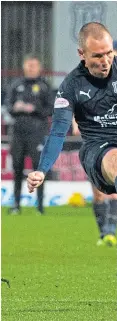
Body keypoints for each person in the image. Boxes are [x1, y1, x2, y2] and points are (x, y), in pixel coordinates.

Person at [27, 22, 117, 245]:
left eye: (109, 53)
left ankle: (109, 231)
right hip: (97, 148)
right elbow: (58, 132)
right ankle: (105, 230)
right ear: (82, 54)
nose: (105, 61)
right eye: (97, 55)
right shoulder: (70, 87)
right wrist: (42, 169)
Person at [5, 53, 53, 214]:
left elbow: (51, 109)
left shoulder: (45, 86)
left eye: (35, 66)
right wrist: (15, 108)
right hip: (18, 132)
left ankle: (40, 206)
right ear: (24, 66)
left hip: (37, 133)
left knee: (37, 170)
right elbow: (8, 106)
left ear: (39, 68)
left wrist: (34, 109)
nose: (32, 69)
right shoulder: (15, 85)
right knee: (17, 167)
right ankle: (16, 205)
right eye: (29, 65)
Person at [72, 116, 117, 246]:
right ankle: (103, 232)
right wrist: (76, 126)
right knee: (98, 195)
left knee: (114, 193)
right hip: (94, 147)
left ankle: (111, 232)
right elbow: (77, 109)